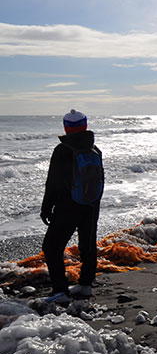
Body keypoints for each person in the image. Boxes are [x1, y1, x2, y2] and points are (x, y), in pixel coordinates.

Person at [41, 109, 103, 303]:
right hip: (91, 204)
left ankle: (60, 290)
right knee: (87, 244)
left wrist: (46, 207)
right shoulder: (95, 149)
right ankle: (85, 285)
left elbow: (53, 182)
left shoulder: (62, 150)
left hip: (67, 206)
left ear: (66, 128)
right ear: (85, 126)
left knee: (52, 247)